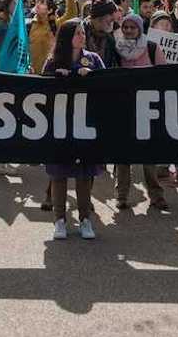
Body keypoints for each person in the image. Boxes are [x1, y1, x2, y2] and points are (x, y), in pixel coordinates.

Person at [43, 19, 105, 240]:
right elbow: (41, 91)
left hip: (86, 124)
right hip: (60, 124)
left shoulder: (94, 59)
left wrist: (92, 77)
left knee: (84, 174)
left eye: (83, 33)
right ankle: (59, 220)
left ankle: (85, 219)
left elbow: (108, 85)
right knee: (59, 173)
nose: (82, 36)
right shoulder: (52, 61)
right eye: (77, 33)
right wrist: (56, 79)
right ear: (67, 36)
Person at [113, 13, 170, 211]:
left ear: (140, 29)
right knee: (122, 156)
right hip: (123, 108)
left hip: (148, 109)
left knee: (148, 156)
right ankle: (121, 196)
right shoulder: (116, 49)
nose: (128, 30)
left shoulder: (152, 48)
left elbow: (165, 77)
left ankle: (156, 195)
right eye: (125, 27)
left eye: (132, 27)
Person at [29, 0, 78, 76]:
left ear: (50, 10)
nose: (38, 4)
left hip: (50, 73)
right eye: (37, 1)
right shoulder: (29, 24)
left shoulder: (56, 24)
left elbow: (72, 13)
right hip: (31, 74)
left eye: (42, 2)